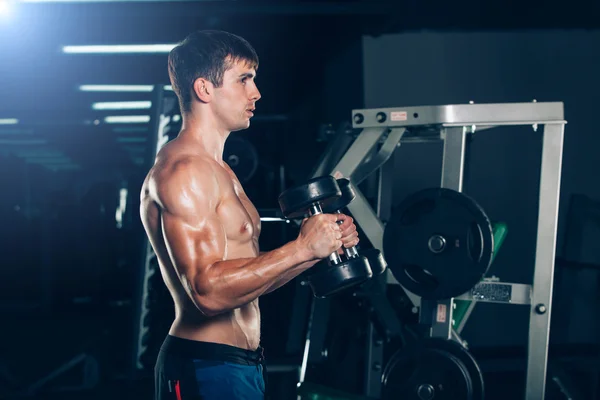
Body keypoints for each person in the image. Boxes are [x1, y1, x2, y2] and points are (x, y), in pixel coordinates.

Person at [139, 30, 360, 400]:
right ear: (204, 89)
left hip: (239, 364)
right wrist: (302, 249)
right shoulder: (184, 171)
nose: (255, 93)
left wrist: (319, 245)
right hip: (204, 366)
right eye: (243, 80)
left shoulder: (220, 170)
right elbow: (206, 293)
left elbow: (246, 281)